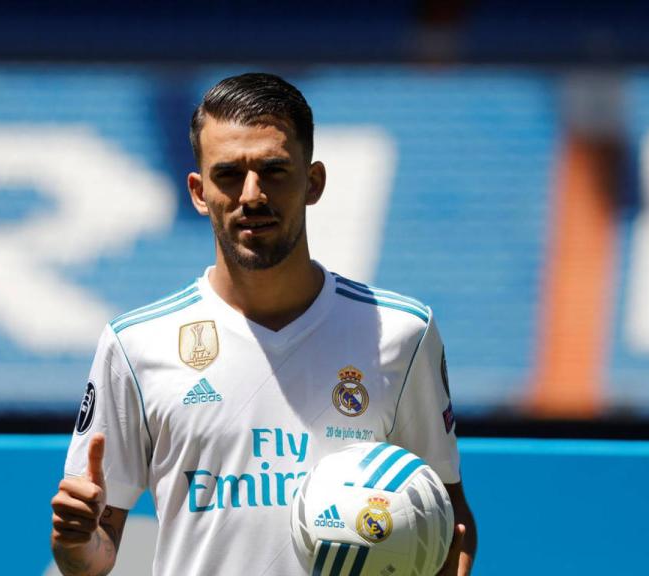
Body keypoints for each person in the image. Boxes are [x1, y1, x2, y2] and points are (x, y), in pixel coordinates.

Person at [50, 72, 477, 575]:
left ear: (313, 182)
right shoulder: (136, 345)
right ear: (198, 191)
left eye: (273, 170)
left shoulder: (402, 333)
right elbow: (96, 557)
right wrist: (76, 543)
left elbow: (452, 527)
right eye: (228, 174)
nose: (252, 194)